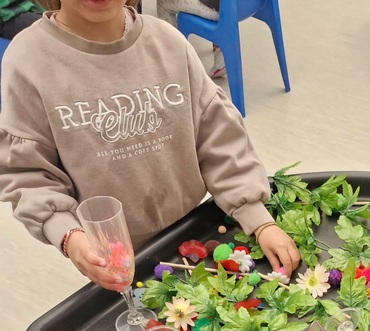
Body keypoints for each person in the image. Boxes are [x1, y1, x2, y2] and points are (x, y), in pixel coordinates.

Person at [0, 0, 299, 291]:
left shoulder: (168, 42)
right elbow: (27, 172)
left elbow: (219, 137)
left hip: (192, 235)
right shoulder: (29, 60)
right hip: (111, 254)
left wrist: (258, 220)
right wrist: (69, 235)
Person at [156, 0, 225, 79]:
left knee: (163, 3)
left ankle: (172, 55)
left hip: (218, 10)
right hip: (232, 9)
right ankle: (220, 49)